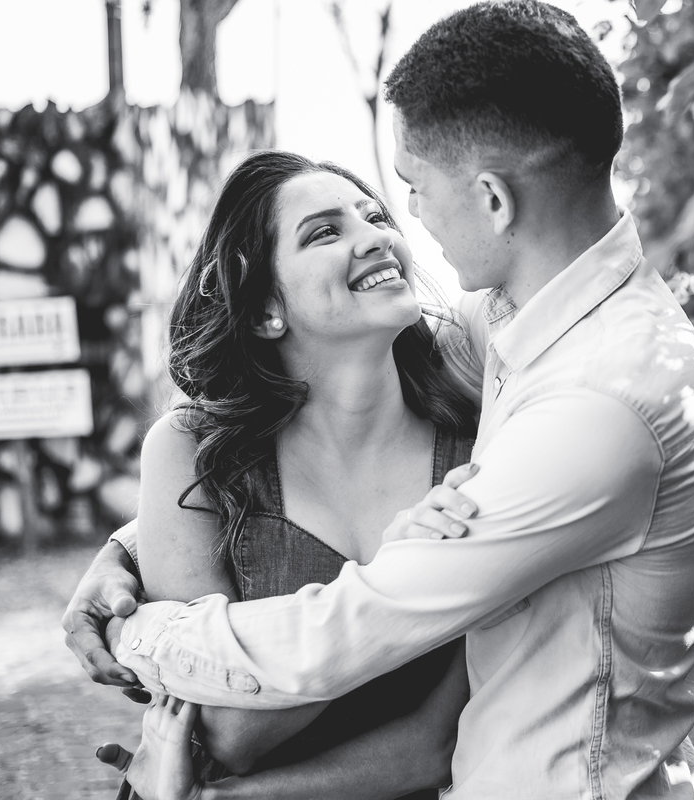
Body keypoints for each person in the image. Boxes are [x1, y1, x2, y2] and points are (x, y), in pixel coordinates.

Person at [65, 2, 694, 797]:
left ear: (494, 199)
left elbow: (359, 645)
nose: (398, 224)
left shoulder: (570, 408)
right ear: (265, 307)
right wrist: (130, 551)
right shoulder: (522, 334)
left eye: (404, 193)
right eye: (327, 230)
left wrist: (138, 632)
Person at [98, 149, 485, 800]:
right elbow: (224, 733)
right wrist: (404, 577)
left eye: (374, 216)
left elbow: (434, 744)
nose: (378, 238)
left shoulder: (475, 446)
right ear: (264, 310)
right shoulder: (195, 457)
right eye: (326, 232)